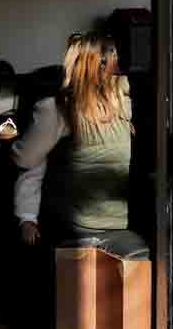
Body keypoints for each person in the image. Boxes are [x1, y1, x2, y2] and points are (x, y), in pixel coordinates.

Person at [12, 32, 134, 246]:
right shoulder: (124, 100)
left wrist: (27, 217)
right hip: (126, 218)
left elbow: (25, 159)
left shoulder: (61, 107)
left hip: (77, 222)